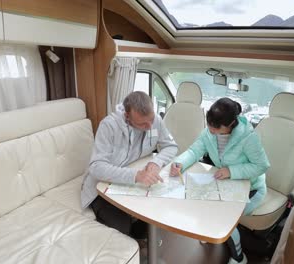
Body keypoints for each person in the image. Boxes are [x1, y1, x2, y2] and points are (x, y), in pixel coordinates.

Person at [170, 97, 270, 264]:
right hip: (226, 184)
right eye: (209, 125)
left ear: (231, 124)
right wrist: (179, 163)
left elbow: (262, 166)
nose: (211, 130)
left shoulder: (248, 137)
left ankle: (239, 258)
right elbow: (194, 151)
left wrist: (231, 171)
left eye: (216, 128)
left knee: (222, 218)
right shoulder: (209, 132)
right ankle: (211, 234)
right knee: (202, 205)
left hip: (252, 188)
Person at [81, 91, 178, 237]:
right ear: (127, 116)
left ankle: (142, 242)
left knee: (158, 211)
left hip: (131, 185)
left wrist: (156, 162)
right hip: (101, 187)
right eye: (142, 123)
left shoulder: (155, 120)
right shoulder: (109, 126)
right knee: (122, 227)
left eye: (151, 120)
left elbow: (171, 146)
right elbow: (96, 167)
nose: (149, 126)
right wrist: (137, 175)